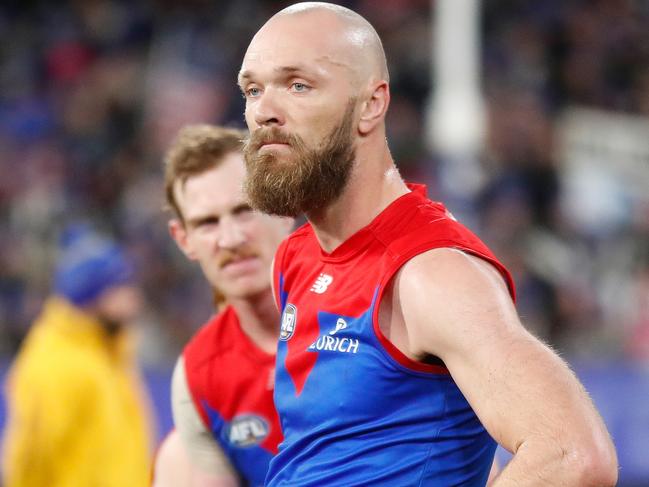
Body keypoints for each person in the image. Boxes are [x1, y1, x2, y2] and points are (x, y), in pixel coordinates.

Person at [238, 2, 618, 486]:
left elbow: (572, 455)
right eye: (252, 89)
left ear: (371, 104)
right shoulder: (296, 256)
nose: (265, 111)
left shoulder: (430, 272)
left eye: (298, 85)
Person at [151, 125, 293, 486]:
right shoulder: (199, 374)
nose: (231, 239)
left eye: (244, 210)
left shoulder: (364, 310)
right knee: (174, 462)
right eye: (207, 223)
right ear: (184, 240)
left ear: (284, 207)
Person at [2, 223, 153, 487]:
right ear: (92, 295)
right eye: (122, 286)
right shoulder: (56, 365)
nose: (135, 297)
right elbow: (29, 464)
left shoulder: (108, 353)